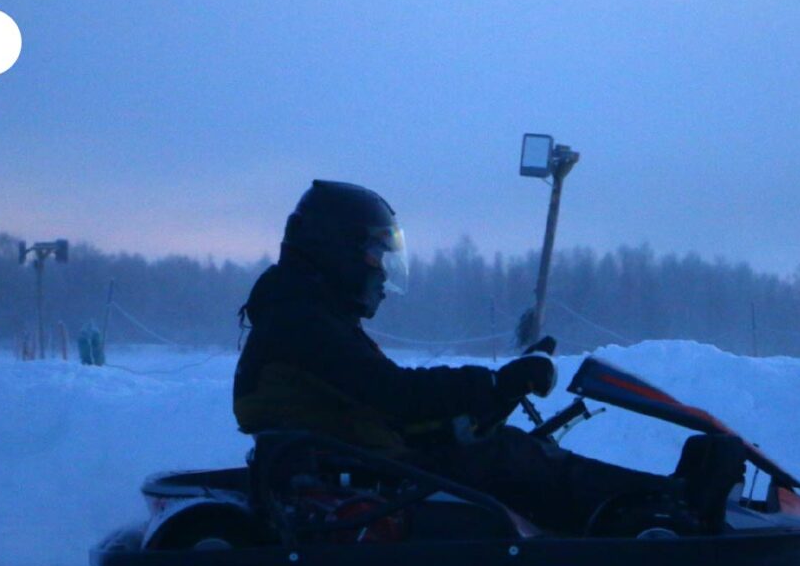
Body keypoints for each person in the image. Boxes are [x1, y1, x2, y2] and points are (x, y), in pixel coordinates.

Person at [233, 180, 743, 534]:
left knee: (508, 448)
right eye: (374, 255)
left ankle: (648, 505)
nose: (381, 271)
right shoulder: (301, 322)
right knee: (509, 455)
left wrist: (489, 396)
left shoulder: (304, 314)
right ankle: (656, 512)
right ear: (335, 251)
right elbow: (395, 395)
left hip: (365, 452)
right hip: (362, 464)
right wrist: (492, 385)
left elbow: (379, 399)